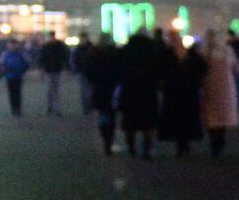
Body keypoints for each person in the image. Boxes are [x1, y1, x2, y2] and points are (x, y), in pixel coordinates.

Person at [158, 31, 205, 157]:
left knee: (179, 118)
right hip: (185, 91)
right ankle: (183, 143)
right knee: (184, 118)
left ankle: (182, 144)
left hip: (176, 92)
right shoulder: (188, 55)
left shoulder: (168, 55)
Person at [117, 30, 162, 158]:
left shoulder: (125, 51)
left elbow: (119, 69)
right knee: (148, 122)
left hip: (129, 90)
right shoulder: (152, 51)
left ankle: (131, 147)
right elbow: (158, 70)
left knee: (130, 121)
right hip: (148, 90)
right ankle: (147, 149)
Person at [201, 29, 239, 155]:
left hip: (209, 87)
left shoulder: (205, 52)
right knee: (223, 113)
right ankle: (220, 140)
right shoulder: (227, 51)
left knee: (211, 114)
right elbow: (236, 69)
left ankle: (214, 140)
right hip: (226, 87)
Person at [84, 34, 121, 154]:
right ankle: (109, 140)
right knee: (112, 115)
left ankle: (105, 140)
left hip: (100, 88)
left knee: (103, 115)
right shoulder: (116, 53)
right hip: (113, 88)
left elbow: (88, 70)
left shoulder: (95, 53)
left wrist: (94, 81)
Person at [38, 33, 69, 116]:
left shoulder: (52, 46)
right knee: (52, 90)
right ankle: (52, 107)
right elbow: (42, 59)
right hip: (51, 70)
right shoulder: (52, 46)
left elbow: (42, 59)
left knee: (55, 90)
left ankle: (55, 108)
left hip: (56, 70)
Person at [0, 39, 30, 116]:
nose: (11, 46)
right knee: (12, 93)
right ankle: (14, 108)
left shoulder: (20, 54)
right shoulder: (5, 54)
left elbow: (27, 63)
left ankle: (18, 109)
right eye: (10, 44)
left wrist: (22, 71)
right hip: (9, 76)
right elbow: (1, 65)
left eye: (12, 44)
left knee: (17, 93)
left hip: (18, 76)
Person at [69, 32, 94, 116]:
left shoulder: (91, 48)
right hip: (82, 72)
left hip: (90, 72)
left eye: (83, 39)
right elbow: (74, 59)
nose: (82, 40)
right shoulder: (78, 49)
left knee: (89, 91)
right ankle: (86, 108)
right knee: (84, 92)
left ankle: (89, 107)